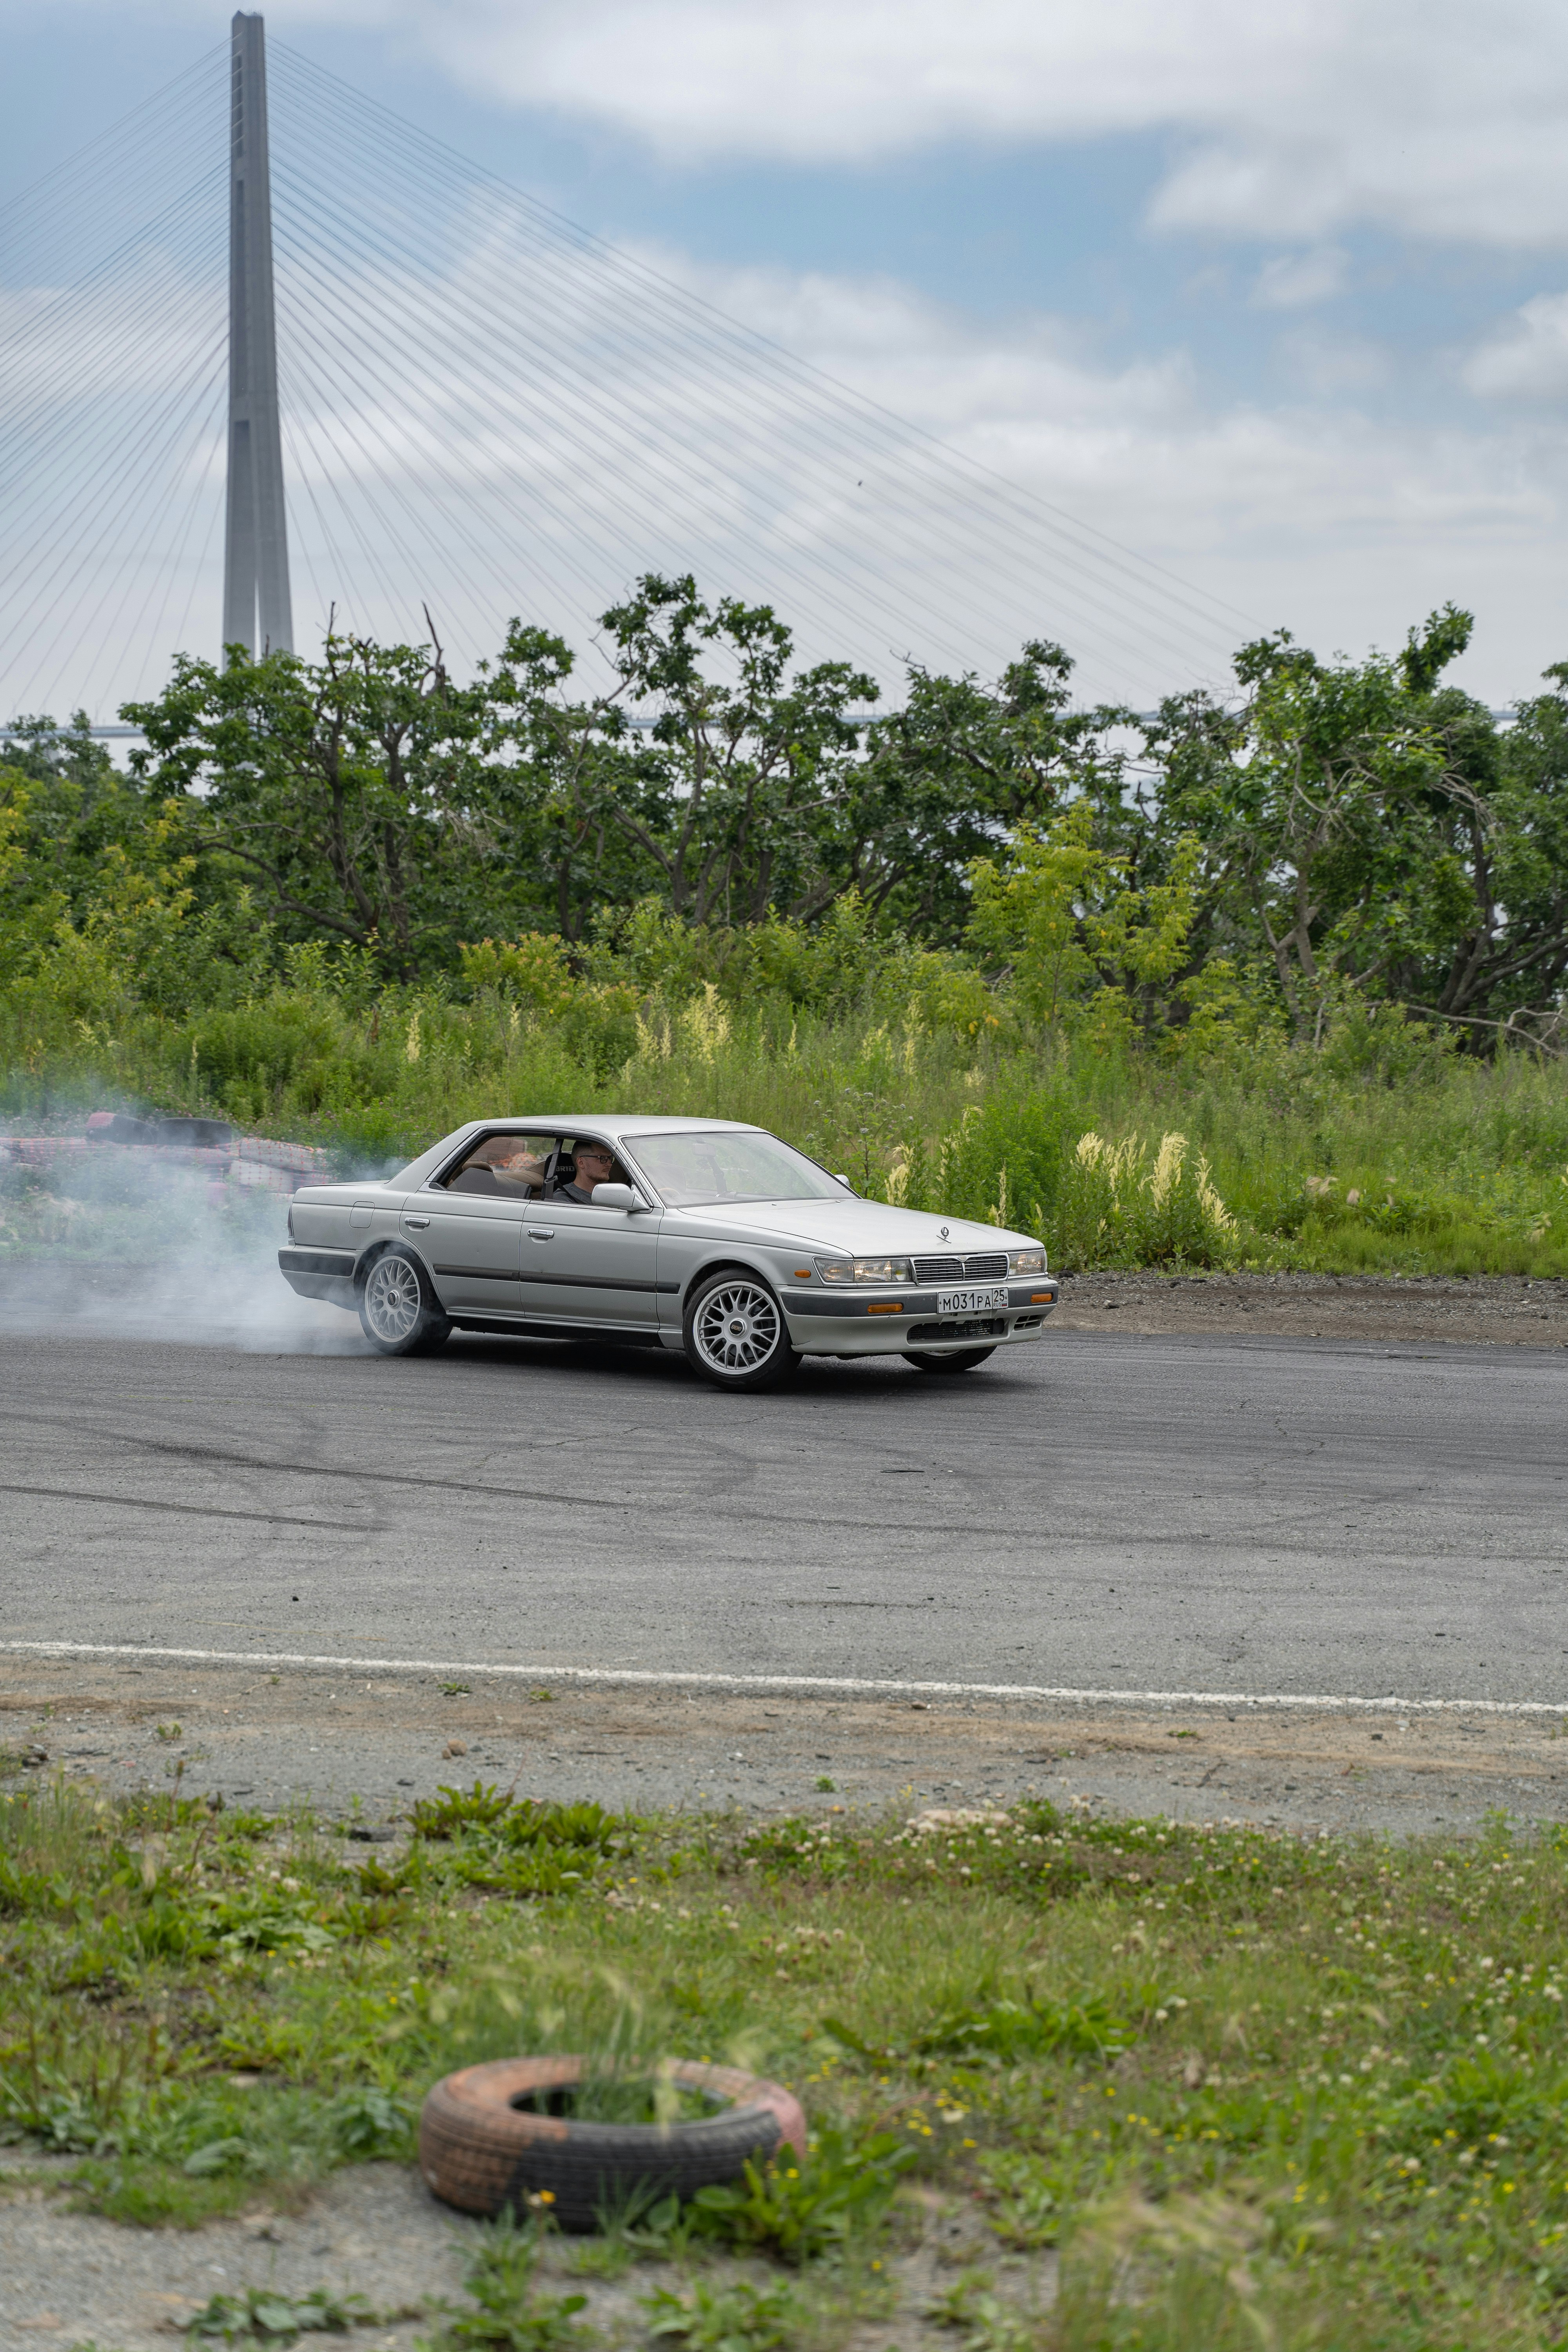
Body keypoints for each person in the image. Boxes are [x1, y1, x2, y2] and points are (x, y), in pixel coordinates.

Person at [553, 1139, 621, 1203]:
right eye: (603, 1158)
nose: (609, 1164)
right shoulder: (564, 1198)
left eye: (610, 1159)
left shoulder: (611, 1194)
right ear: (581, 1163)